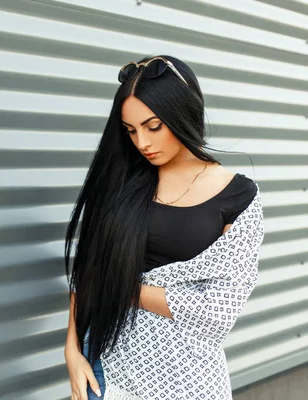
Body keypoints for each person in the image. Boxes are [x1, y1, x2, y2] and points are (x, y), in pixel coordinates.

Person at [63, 55, 264, 400]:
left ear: (182, 112)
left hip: (189, 377)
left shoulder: (238, 197)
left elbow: (218, 310)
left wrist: (119, 286)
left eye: (153, 126)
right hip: (108, 370)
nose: (142, 143)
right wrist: (72, 352)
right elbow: (88, 270)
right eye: (131, 130)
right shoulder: (122, 183)